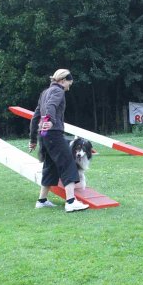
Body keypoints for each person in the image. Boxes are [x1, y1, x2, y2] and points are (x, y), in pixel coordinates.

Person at [29, 69, 89, 212]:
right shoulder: (58, 91)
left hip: (44, 136)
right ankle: (71, 202)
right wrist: (49, 120)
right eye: (69, 83)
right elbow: (51, 107)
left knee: (50, 166)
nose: (69, 86)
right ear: (62, 81)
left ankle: (42, 200)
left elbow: (35, 117)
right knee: (68, 163)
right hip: (53, 133)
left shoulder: (44, 93)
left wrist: (33, 139)